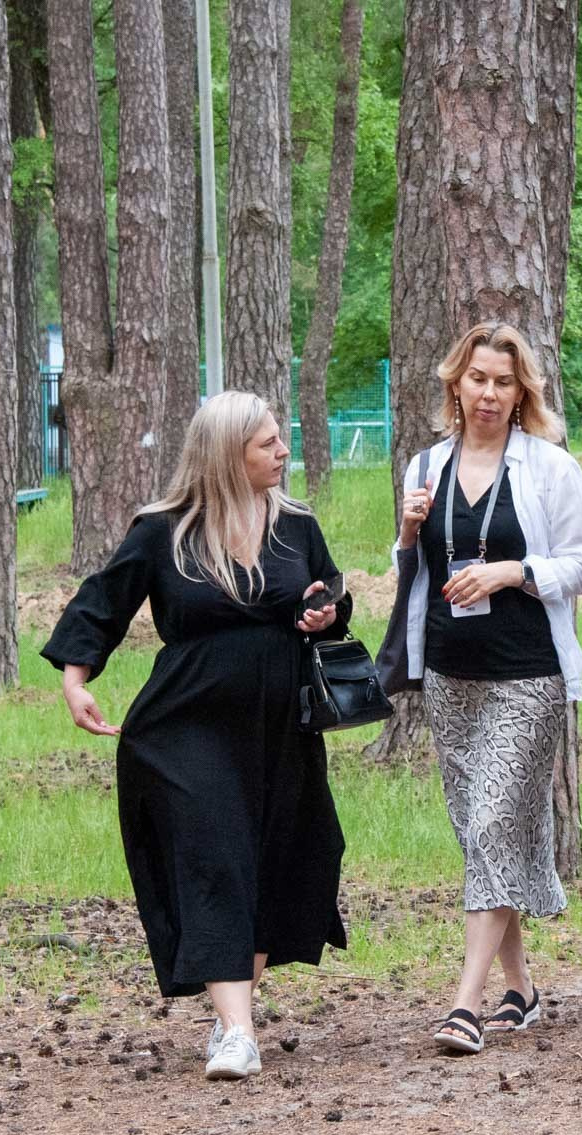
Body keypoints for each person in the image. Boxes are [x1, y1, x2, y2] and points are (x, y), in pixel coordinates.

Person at [43, 390, 352, 1082]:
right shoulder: (163, 530)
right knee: (216, 858)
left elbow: (330, 593)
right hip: (187, 725)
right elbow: (102, 602)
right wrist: (75, 681)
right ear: (225, 455)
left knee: (276, 860)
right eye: (268, 443)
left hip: (280, 727)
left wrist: (322, 613)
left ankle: (228, 1011)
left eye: (280, 439)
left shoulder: (295, 524)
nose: (283, 452)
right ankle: (240, 1034)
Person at [376, 322, 582, 1056]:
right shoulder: (425, 466)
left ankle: (465, 1005)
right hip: (449, 672)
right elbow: (414, 572)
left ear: (522, 391)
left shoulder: (549, 467)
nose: (489, 395)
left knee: (497, 820)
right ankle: (522, 990)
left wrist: (512, 572)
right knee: (479, 829)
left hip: (527, 673)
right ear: (456, 384)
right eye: (478, 380)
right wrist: (407, 536)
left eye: (504, 383)